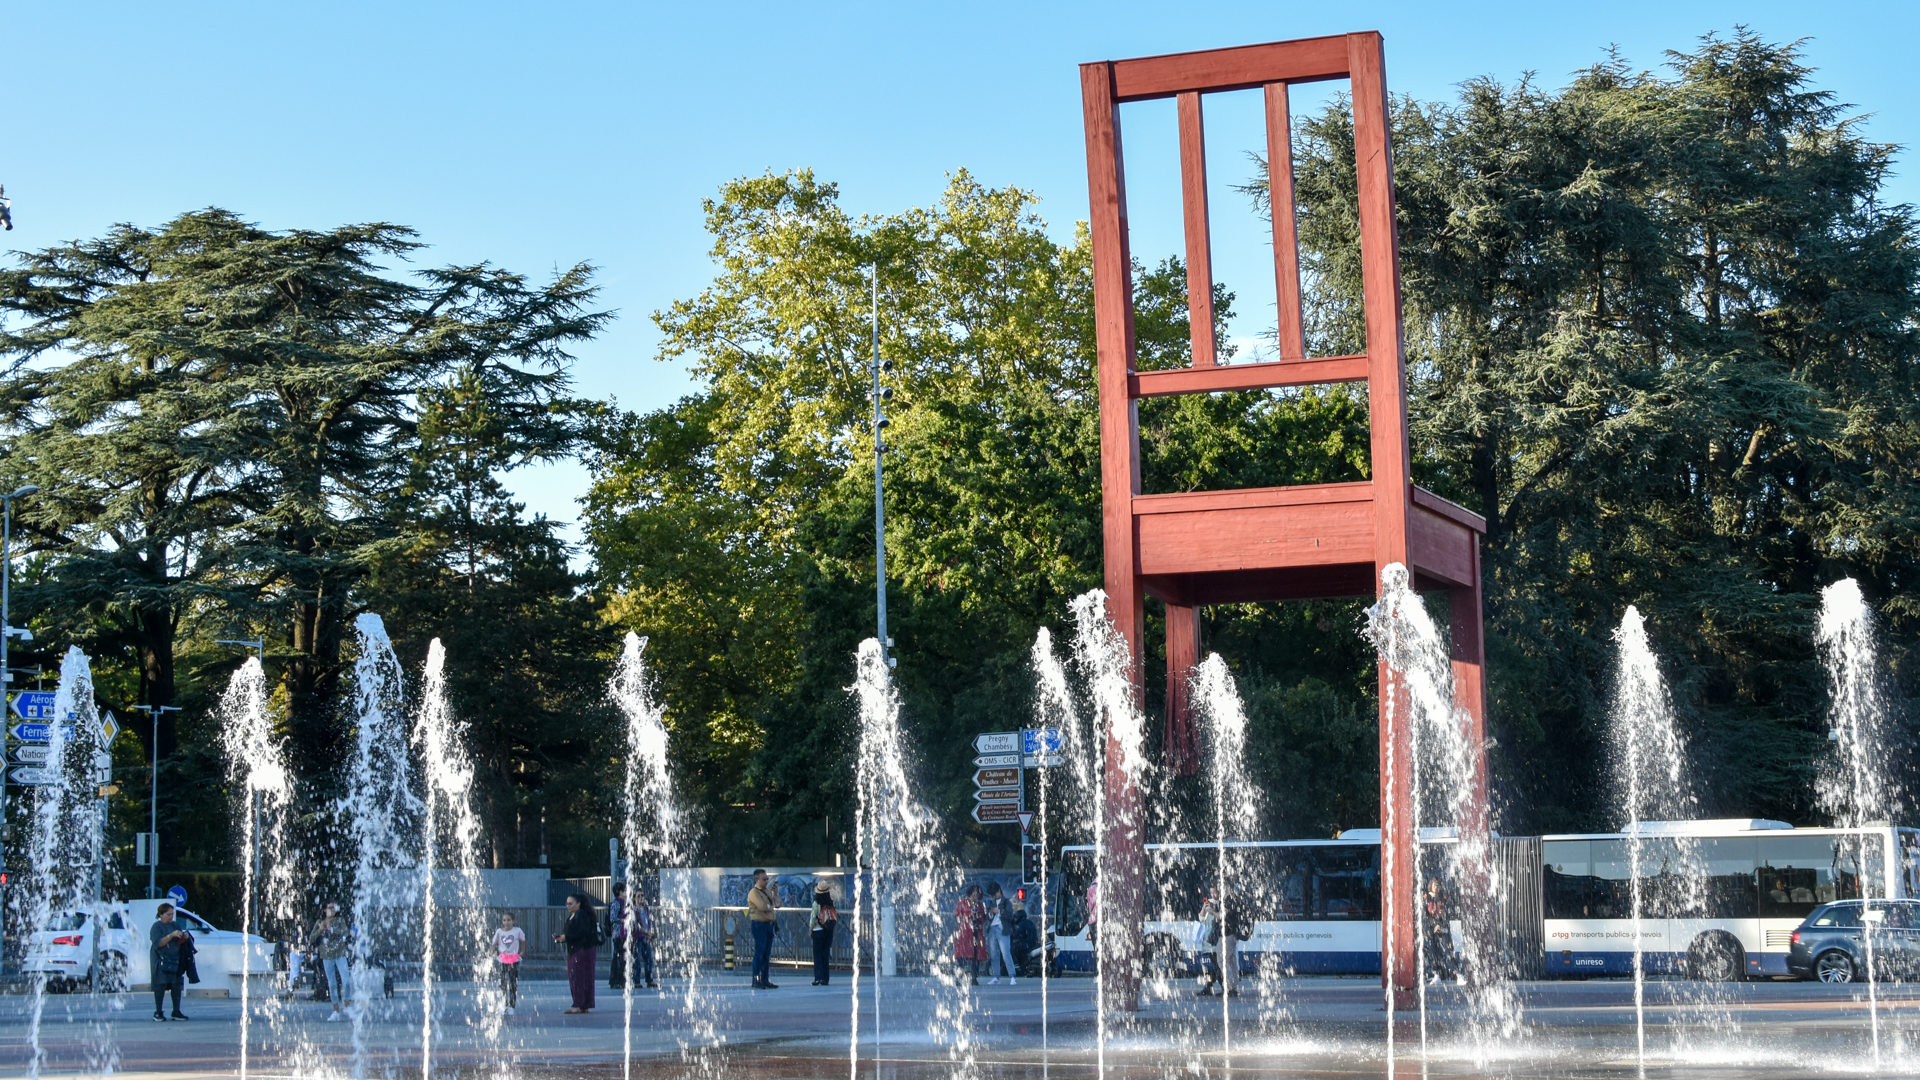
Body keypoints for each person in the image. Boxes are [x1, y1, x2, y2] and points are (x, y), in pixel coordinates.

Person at [552, 893, 600, 1013]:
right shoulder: (575, 915)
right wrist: (563, 937)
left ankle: (578, 1004)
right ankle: (584, 1004)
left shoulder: (581, 915)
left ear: (578, 903)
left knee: (578, 977)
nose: (568, 906)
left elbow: (581, 933)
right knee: (584, 977)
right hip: (580, 949)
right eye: (567, 903)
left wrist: (565, 937)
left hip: (582, 950)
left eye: (570, 903)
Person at [312, 902, 353, 1021]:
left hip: (340, 954)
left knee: (346, 981)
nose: (333, 909)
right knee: (332, 984)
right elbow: (311, 938)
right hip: (327, 956)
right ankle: (335, 1010)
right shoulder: (320, 922)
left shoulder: (339, 921)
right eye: (330, 907)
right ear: (325, 910)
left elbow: (345, 932)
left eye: (334, 907)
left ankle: (347, 1005)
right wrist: (320, 930)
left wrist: (332, 929)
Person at [149, 903, 191, 1021]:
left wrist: (184, 937)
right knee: (160, 985)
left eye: (172, 914)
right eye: (168, 914)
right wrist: (171, 935)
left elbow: (179, 942)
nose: (171, 917)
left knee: (176, 985)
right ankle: (158, 1012)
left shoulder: (175, 925)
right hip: (160, 960)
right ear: (161, 914)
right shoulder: (156, 927)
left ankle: (176, 1011)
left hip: (174, 959)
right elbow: (158, 943)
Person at [747, 869, 778, 989]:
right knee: (759, 954)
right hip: (759, 925)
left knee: (766, 954)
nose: (766, 881)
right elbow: (762, 907)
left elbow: (778, 904)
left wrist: (776, 894)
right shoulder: (753, 893)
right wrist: (772, 905)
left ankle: (765, 980)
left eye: (767, 879)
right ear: (757, 879)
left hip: (769, 925)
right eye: (764, 879)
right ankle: (756, 980)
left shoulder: (767, 892)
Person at [492, 911, 526, 1014]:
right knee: (502, 982)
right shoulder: (499, 932)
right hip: (503, 958)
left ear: (513, 921)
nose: (506, 922)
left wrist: (522, 952)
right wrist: (491, 953)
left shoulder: (517, 931)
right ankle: (503, 1004)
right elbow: (494, 943)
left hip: (513, 959)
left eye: (509, 920)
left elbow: (523, 940)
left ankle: (512, 1005)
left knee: (512, 982)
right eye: (504, 920)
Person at [954, 884, 987, 986]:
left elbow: (984, 918)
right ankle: (959, 977)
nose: (976, 895)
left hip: (977, 932)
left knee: (975, 956)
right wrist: (969, 916)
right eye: (974, 892)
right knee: (962, 956)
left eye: (977, 893)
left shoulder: (980, 905)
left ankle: (974, 977)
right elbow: (957, 916)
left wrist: (979, 916)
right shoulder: (962, 903)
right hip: (965, 933)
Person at [984, 882, 1016, 986]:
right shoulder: (991, 902)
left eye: (995, 893)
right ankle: (996, 976)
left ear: (999, 891)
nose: (994, 896)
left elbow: (1010, 915)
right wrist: (990, 913)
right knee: (994, 954)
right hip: (992, 928)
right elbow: (988, 917)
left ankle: (1012, 976)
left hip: (1003, 929)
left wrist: (999, 911)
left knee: (1006, 953)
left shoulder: (1007, 902)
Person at [1422, 878, 1454, 982]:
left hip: (1442, 928)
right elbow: (1426, 915)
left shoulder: (1442, 897)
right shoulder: (1426, 898)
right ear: (1430, 885)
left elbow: (1446, 912)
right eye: (1434, 885)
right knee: (1433, 952)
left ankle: (1457, 974)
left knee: (1447, 950)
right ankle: (1437, 975)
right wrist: (1432, 926)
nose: (1436, 887)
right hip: (1431, 929)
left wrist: (1440, 924)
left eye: (1437, 885)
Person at [809, 883, 838, 986]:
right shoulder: (831, 903)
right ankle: (826, 979)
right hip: (828, 931)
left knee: (817, 955)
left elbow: (813, 917)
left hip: (818, 931)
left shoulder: (816, 903)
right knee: (825, 955)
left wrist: (811, 929)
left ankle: (818, 978)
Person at [607, 882, 630, 989]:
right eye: (625, 890)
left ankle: (618, 980)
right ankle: (617, 980)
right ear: (620, 892)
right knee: (619, 958)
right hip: (618, 934)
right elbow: (613, 918)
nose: (627, 892)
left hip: (623, 934)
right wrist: (623, 920)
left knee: (621, 957)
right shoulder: (616, 903)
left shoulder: (624, 903)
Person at [633, 894, 657, 989]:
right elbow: (635, 925)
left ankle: (649, 980)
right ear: (634, 898)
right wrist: (646, 932)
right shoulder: (634, 910)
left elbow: (650, 921)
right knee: (637, 960)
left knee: (649, 959)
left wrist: (650, 932)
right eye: (638, 896)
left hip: (646, 938)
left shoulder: (646, 909)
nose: (641, 898)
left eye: (642, 896)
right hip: (638, 937)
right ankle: (636, 981)